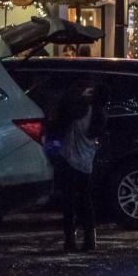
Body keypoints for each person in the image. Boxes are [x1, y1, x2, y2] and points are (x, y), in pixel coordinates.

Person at [51, 85, 109, 252]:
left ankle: (70, 240)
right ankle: (90, 239)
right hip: (86, 161)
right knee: (84, 200)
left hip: (69, 159)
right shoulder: (99, 115)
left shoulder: (79, 111)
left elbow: (64, 115)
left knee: (68, 201)